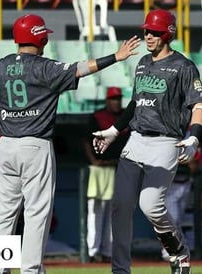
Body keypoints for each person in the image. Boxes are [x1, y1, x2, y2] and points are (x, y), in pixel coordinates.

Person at [0, 13, 140, 274]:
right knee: (37, 215)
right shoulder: (45, 67)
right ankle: (30, 270)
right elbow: (82, 68)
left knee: (6, 213)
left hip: (6, 145)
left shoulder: (0, 65)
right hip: (35, 145)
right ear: (39, 37)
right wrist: (115, 57)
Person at [92, 9, 202, 274]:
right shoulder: (143, 62)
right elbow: (136, 103)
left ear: (168, 33)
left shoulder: (184, 66)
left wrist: (194, 137)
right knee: (120, 205)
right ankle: (120, 270)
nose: (148, 35)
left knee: (151, 206)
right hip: (135, 139)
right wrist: (113, 130)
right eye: (146, 30)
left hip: (166, 142)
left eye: (154, 31)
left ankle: (178, 251)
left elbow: (199, 105)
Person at [82, 86, 129, 263]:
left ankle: (108, 250)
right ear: (107, 101)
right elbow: (86, 140)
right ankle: (93, 251)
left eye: (118, 99)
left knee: (114, 211)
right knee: (96, 209)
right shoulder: (97, 116)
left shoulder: (125, 117)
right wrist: (93, 160)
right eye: (113, 99)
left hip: (118, 168)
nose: (116, 102)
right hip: (100, 169)